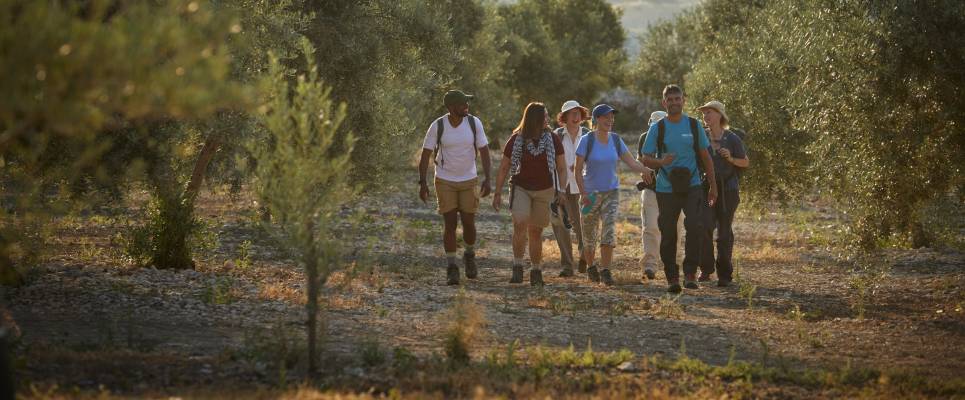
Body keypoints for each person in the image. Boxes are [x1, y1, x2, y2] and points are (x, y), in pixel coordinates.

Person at [640, 85, 718, 293]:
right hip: (666, 188)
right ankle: (672, 277)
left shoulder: (693, 125)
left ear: (684, 100)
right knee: (668, 233)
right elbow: (645, 157)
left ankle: (690, 274)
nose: (674, 102)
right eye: (670, 100)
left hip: (693, 186)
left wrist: (713, 186)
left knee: (694, 226)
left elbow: (706, 157)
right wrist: (661, 161)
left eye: (677, 99)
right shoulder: (658, 128)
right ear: (664, 103)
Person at [574, 104, 654, 286]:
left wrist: (647, 170)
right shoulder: (587, 140)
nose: (610, 120)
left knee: (609, 231)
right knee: (589, 235)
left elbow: (631, 163)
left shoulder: (616, 140)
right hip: (590, 194)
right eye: (605, 117)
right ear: (596, 120)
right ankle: (591, 266)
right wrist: (583, 192)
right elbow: (577, 170)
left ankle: (606, 270)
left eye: (611, 117)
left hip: (611, 192)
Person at [419, 90, 493, 285]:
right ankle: (452, 266)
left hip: (469, 179)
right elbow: (426, 154)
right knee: (450, 223)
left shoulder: (473, 123)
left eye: (467, 103)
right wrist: (423, 183)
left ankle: (469, 255)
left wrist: (488, 179)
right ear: (451, 108)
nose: (466, 106)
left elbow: (484, 151)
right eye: (462, 104)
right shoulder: (438, 126)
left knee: (469, 222)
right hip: (444, 179)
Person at [492, 102, 566, 286]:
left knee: (535, 231)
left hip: (545, 189)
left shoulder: (553, 139)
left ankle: (536, 270)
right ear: (535, 119)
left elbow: (562, 168)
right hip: (521, 187)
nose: (548, 120)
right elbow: (504, 167)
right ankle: (517, 266)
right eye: (545, 116)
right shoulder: (516, 140)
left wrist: (561, 190)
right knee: (520, 223)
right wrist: (497, 192)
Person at [697, 100, 749, 287]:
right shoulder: (701, 137)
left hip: (728, 190)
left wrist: (731, 158)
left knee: (724, 232)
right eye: (704, 113)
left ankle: (725, 275)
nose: (706, 116)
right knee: (704, 226)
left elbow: (745, 162)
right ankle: (706, 269)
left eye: (709, 112)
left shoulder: (732, 138)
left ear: (720, 115)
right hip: (707, 189)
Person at [636, 110, 683, 282]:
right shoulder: (644, 137)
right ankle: (650, 265)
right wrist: (643, 171)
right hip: (651, 189)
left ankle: (674, 264)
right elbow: (640, 160)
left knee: (675, 229)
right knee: (650, 227)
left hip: (674, 191)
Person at [550, 100, 591, 277]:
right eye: (571, 113)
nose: (575, 117)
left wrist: (582, 167)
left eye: (578, 113)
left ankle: (585, 257)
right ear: (564, 117)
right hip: (561, 187)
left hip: (583, 187)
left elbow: (595, 159)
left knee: (585, 226)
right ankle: (567, 265)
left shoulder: (589, 135)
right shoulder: (556, 136)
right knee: (561, 227)